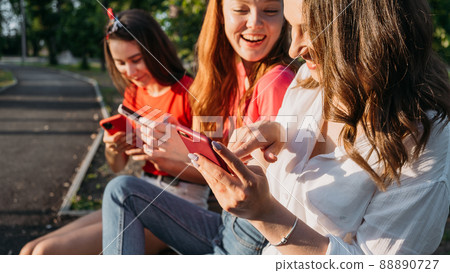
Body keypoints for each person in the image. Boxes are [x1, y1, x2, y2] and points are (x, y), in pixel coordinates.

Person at [103, 0, 450, 255]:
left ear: (366, 34)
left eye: (308, 32)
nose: (293, 48)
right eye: (291, 26)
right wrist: (275, 130)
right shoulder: (311, 79)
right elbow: (286, 138)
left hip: (251, 243)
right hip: (237, 232)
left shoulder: (424, 144)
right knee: (119, 193)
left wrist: (266, 213)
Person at [102, 0, 298, 254]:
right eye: (241, 10)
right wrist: (183, 143)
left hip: (249, 234)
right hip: (225, 224)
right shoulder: (231, 76)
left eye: (271, 11)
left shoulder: (275, 80)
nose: (254, 22)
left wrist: (182, 156)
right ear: (220, 16)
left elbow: (267, 191)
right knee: (119, 189)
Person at [20, 9, 199, 255]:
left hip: (182, 201)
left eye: (136, 59)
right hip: (139, 192)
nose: (130, 71)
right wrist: (113, 147)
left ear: (156, 50)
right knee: (30, 250)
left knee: (45, 253)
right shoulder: (134, 94)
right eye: (120, 63)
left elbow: (210, 171)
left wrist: (159, 156)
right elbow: (117, 167)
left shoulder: (189, 93)